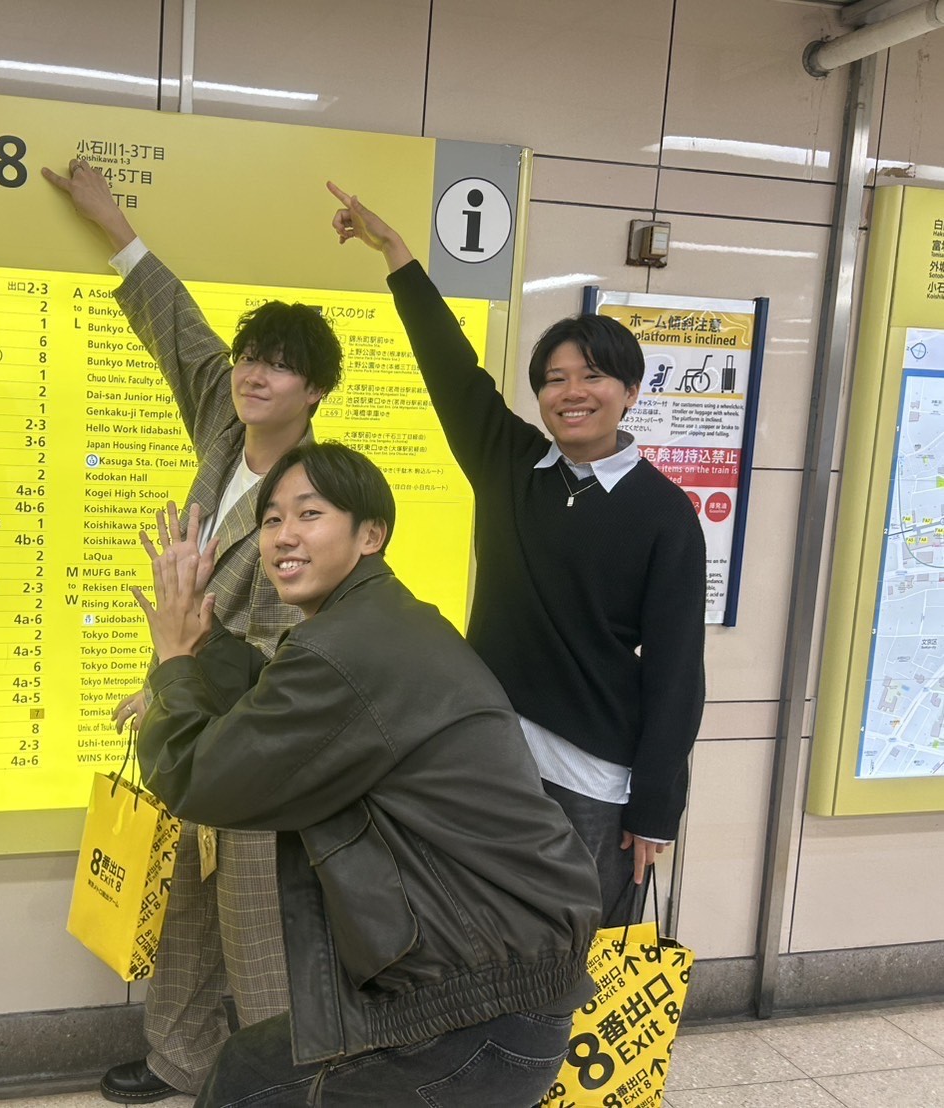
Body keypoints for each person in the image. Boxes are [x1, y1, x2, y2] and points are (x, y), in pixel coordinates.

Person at [130, 443, 601, 1107]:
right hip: (492, 983)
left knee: (248, 1082)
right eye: (271, 519)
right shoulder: (376, 623)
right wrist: (202, 645)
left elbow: (195, 777)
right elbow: (277, 706)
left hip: (473, 1009)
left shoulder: (346, 647)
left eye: (309, 514)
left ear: (370, 534)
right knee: (249, 1066)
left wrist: (176, 660)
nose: (283, 536)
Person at [42, 157, 344, 1102]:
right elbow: (174, 326)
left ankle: (275, 1076)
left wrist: (177, 675)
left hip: (260, 736)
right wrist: (110, 221)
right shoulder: (222, 422)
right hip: (192, 714)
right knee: (179, 893)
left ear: (314, 392)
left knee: (252, 912)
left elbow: (292, 637)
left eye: (280, 365)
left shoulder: (319, 490)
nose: (256, 372)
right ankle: (179, 1057)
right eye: (252, 355)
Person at [327, 182, 707, 927]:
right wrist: (396, 255)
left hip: (593, 777)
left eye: (592, 376)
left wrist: (656, 808)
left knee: (577, 952)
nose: (571, 392)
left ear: (630, 391)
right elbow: (452, 373)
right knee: (483, 936)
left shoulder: (665, 515)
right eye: (554, 379)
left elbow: (675, 675)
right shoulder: (512, 464)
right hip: (492, 756)